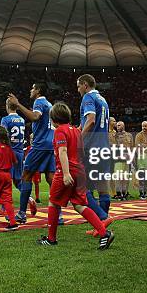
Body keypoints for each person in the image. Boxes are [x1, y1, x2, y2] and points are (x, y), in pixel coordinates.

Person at [36, 102, 115, 250]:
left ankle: (51, 239)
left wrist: (65, 173)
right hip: (79, 170)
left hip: (66, 171)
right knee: (79, 205)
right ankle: (104, 233)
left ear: (53, 119)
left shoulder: (59, 131)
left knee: (53, 203)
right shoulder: (76, 131)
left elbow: (63, 151)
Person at [7, 83, 54, 224]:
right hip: (51, 144)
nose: (30, 90)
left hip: (39, 145)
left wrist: (18, 104)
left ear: (38, 90)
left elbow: (35, 117)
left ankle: (21, 214)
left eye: (32, 88)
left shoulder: (39, 101)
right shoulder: (50, 104)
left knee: (26, 176)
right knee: (51, 179)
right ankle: (58, 215)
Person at [76, 74, 113, 226]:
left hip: (91, 147)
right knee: (103, 188)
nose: (78, 90)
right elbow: (87, 122)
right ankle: (101, 224)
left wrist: (78, 139)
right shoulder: (103, 100)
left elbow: (90, 120)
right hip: (104, 147)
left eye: (78, 86)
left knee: (84, 188)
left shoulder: (88, 98)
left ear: (85, 85)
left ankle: (102, 219)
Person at [0, 99, 26, 191]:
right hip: (20, 152)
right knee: (18, 180)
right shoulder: (22, 120)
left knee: (6, 178)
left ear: (7, 106)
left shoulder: (5, 119)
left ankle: (5, 203)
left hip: (9, 152)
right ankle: (29, 198)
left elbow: (2, 135)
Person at [135, 121, 147, 199]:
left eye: (145, 126)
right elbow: (137, 146)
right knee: (142, 176)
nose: (144, 128)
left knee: (146, 177)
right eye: (143, 126)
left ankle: (145, 193)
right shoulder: (138, 135)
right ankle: (141, 194)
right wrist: (145, 149)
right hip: (141, 158)